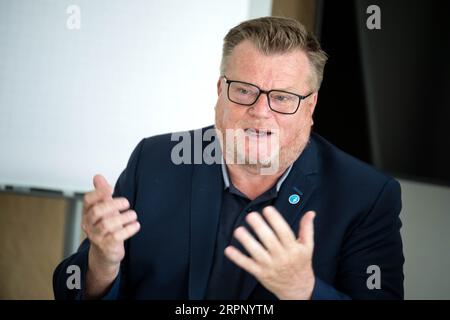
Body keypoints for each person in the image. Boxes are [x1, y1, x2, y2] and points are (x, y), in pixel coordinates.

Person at [53, 16, 404, 300]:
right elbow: (69, 286)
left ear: (310, 106)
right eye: (245, 91)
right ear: (221, 91)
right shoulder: (155, 160)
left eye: (282, 97)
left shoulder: (367, 196)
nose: (260, 111)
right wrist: (102, 264)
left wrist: (304, 292)